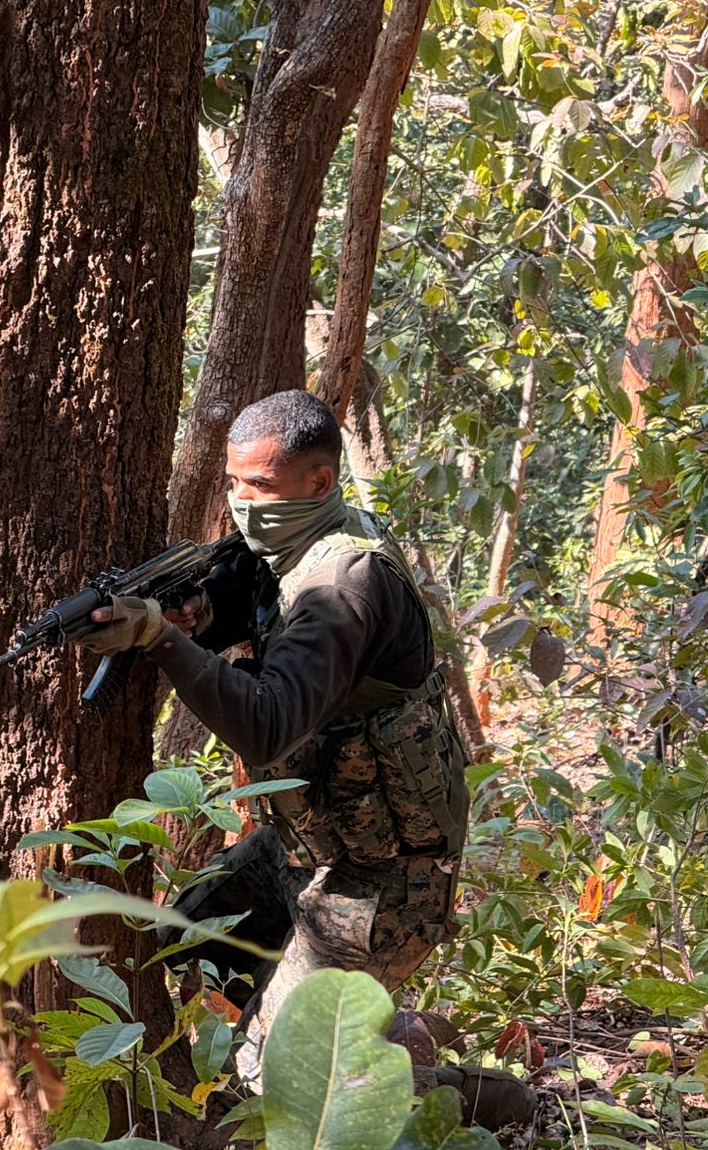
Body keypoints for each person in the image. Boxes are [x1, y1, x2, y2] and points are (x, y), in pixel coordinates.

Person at [73, 389, 534, 1128]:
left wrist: (163, 638)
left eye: (259, 486)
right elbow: (248, 595)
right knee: (175, 945)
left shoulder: (342, 579)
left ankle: (486, 1103)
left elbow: (270, 724)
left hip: (384, 877)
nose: (241, 502)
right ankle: (334, 1032)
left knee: (284, 1077)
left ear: (319, 482)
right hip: (313, 844)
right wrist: (199, 613)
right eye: (233, 482)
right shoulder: (289, 547)